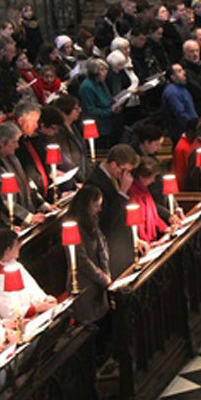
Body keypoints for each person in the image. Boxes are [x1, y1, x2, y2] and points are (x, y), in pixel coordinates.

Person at [87, 144, 140, 278]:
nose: (125, 176)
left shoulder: (112, 179)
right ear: (113, 164)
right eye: (124, 170)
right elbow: (107, 220)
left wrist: (136, 238)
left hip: (122, 244)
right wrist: (122, 192)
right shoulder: (94, 183)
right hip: (112, 249)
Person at [0, 228, 55, 319]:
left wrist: (45, 299)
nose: (19, 246)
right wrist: (35, 309)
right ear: (7, 250)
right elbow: (8, 312)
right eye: (16, 244)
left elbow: (32, 289)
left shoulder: (16, 265)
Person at [0, 122, 47, 225]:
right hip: (14, 222)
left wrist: (42, 204)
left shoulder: (13, 158)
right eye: (14, 142)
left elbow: (27, 181)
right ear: (1, 143)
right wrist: (28, 217)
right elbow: (3, 199)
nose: (17, 146)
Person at [70, 186, 112, 324]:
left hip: (99, 281)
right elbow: (81, 260)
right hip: (86, 285)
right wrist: (103, 278)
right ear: (86, 205)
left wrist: (106, 274)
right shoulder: (73, 227)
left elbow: (101, 247)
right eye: (96, 206)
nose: (99, 210)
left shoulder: (92, 221)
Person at [79, 58, 123, 147]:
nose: (105, 72)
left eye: (106, 69)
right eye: (102, 70)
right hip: (97, 127)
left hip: (108, 124)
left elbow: (106, 98)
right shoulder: (87, 87)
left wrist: (115, 101)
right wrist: (111, 111)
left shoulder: (101, 82)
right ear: (95, 72)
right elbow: (90, 111)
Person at [162, 63, 198, 142]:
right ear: (172, 76)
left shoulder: (181, 88)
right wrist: (194, 126)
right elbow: (180, 114)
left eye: (182, 70)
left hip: (189, 130)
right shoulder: (172, 92)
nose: (183, 72)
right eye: (179, 71)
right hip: (182, 133)